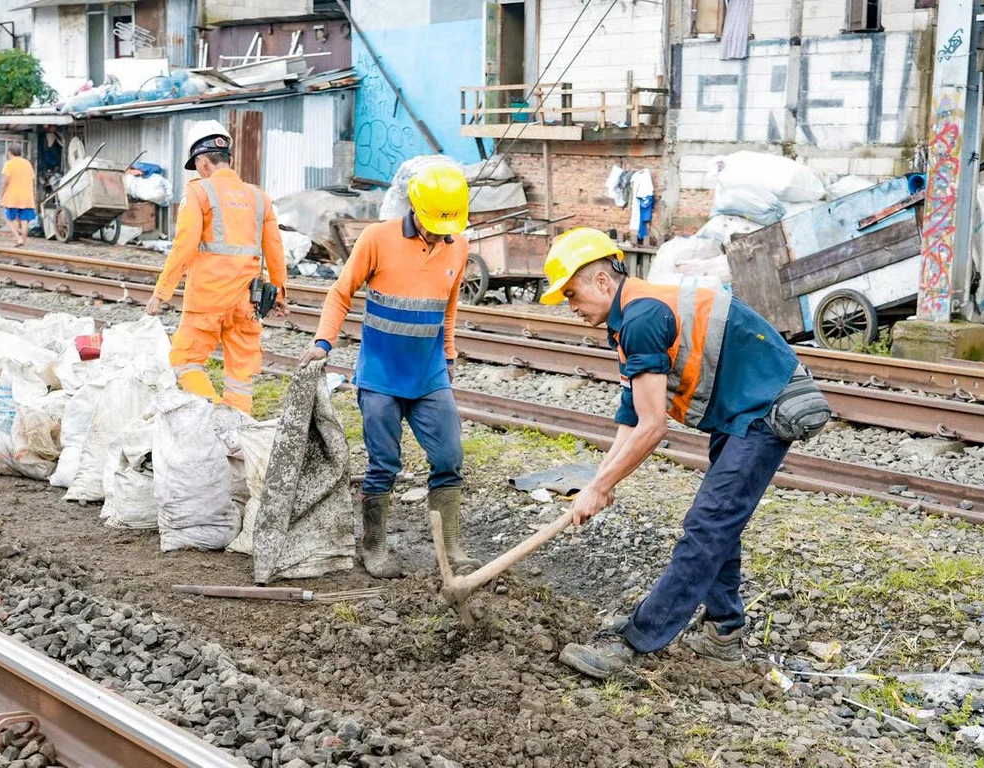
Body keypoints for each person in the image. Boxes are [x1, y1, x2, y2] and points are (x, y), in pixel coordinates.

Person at [541, 228, 830, 678]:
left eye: (571, 294)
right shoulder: (629, 319)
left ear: (601, 281)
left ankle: (636, 643)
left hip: (766, 407)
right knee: (718, 524)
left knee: (707, 525)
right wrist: (601, 481)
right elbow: (631, 418)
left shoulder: (641, 317)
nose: (571, 307)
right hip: (738, 409)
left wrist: (601, 486)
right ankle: (723, 633)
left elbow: (652, 427)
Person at [297, 164, 480, 579]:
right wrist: (323, 342)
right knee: (384, 464)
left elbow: (449, 306)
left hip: (430, 374)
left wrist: (449, 356)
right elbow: (341, 293)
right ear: (415, 207)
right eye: (433, 224)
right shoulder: (377, 238)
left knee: (449, 457)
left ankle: (451, 547)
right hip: (380, 375)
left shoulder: (458, 246)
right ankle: (374, 546)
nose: (437, 233)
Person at [146, 129, 287, 414]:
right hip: (248, 300)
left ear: (202, 162)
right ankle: (238, 427)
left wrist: (161, 293)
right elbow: (274, 248)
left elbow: (183, 246)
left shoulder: (199, 192)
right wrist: (280, 293)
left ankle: (214, 414)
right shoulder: (259, 197)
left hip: (207, 299)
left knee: (184, 360)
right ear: (227, 159)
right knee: (240, 376)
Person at [0, 146, 36, 247]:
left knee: (7, 217)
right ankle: (23, 240)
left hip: (13, 197)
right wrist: (33, 193)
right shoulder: (27, 164)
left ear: (10, 153)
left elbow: (6, 182)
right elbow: (32, 179)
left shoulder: (9, 164)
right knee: (24, 220)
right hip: (27, 196)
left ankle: (18, 238)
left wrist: (1, 195)